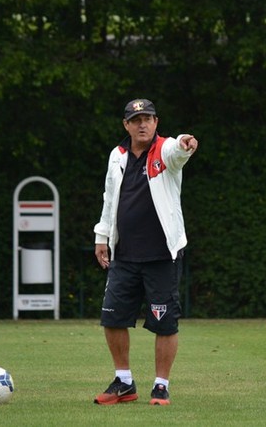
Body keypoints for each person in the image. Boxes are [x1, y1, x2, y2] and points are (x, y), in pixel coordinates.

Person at [92, 98, 198, 406]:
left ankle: (161, 386)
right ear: (126, 125)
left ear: (156, 122)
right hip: (123, 254)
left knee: (164, 323)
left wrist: (185, 143)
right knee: (112, 318)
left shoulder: (164, 150)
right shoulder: (118, 155)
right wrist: (102, 235)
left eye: (148, 118)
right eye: (136, 119)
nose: (142, 124)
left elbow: (178, 152)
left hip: (161, 256)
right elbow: (110, 198)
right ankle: (124, 382)